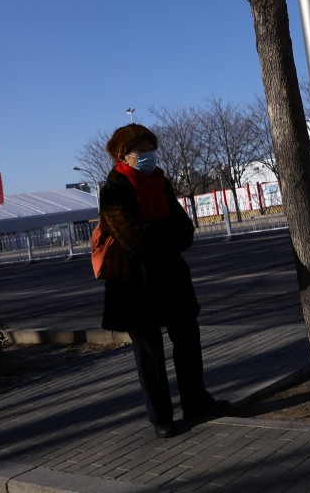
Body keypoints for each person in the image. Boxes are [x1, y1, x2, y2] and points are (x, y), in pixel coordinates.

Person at [97, 124, 228, 438]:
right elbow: (132, 238)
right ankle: (161, 417)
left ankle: (196, 401)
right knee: (149, 352)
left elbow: (185, 230)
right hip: (133, 284)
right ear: (122, 156)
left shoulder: (161, 182)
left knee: (188, 340)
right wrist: (164, 232)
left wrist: (161, 233)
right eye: (140, 150)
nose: (147, 155)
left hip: (170, 277)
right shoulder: (113, 188)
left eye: (149, 148)